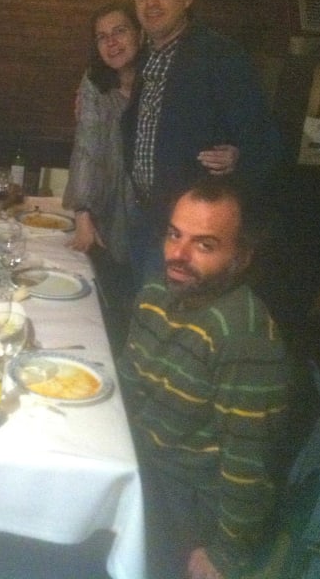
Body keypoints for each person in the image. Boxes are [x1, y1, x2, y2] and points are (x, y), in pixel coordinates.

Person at [116, 175, 294, 579]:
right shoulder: (156, 294)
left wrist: (226, 554)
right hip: (139, 462)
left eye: (204, 244)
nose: (178, 254)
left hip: (183, 506)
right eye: (174, 235)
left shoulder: (244, 339)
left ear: (241, 256)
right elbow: (127, 384)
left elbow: (249, 465)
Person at [122, 0, 281, 286]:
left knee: (176, 318)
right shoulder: (146, 55)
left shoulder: (220, 57)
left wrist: (239, 156)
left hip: (189, 232)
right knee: (145, 309)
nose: (151, 2)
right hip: (145, 215)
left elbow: (266, 138)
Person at [62, 0, 141, 330]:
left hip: (152, 211)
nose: (111, 42)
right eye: (101, 36)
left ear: (140, 33)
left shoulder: (162, 80)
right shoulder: (94, 83)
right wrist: (82, 213)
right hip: (108, 207)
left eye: (120, 31)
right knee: (110, 306)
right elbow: (87, 147)